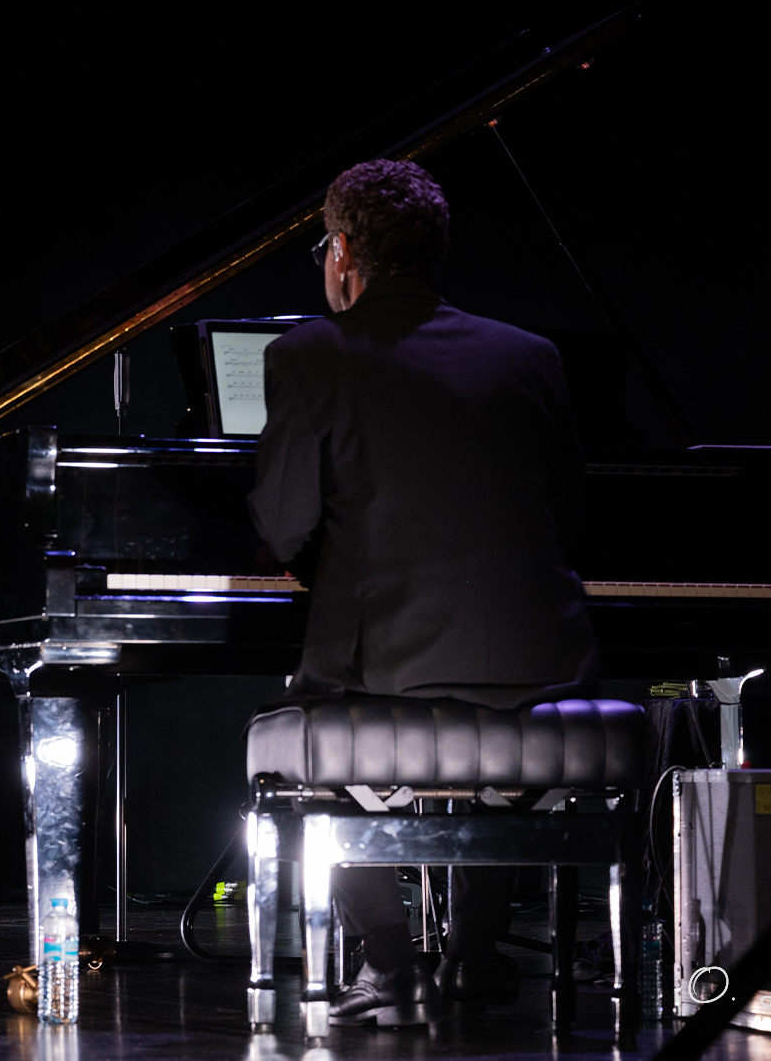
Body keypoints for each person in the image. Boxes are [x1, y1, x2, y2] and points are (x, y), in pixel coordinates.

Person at [248, 161, 599, 1021]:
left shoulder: (306, 356)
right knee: (503, 748)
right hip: (539, 661)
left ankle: (390, 965)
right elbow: (573, 517)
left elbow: (283, 528)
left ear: (341, 253)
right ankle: (472, 957)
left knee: (300, 752)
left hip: (386, 662)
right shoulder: (531, 356)